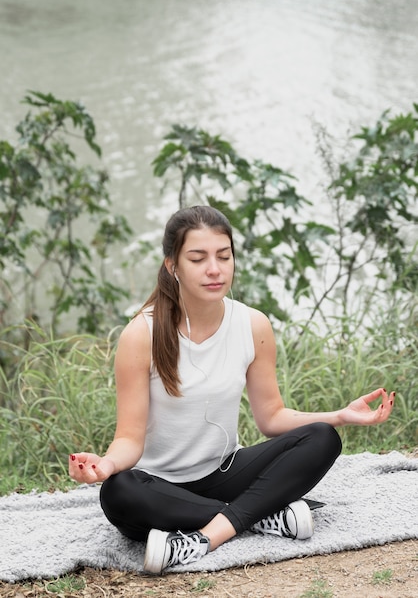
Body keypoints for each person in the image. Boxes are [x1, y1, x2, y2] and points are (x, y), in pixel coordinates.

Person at [69, 205, 395, 574]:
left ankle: (207, 535)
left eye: (224, 257)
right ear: (172, 265)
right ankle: (260, 516)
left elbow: (271, 417)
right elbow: (129, 438)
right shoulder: (141, 334)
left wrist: (339, 416)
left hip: (224, 474)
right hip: (160, 487)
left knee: (323, 438)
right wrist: (106, 466)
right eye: (198, 258)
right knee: (117, 492)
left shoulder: (252, 324)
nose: (215, 269)